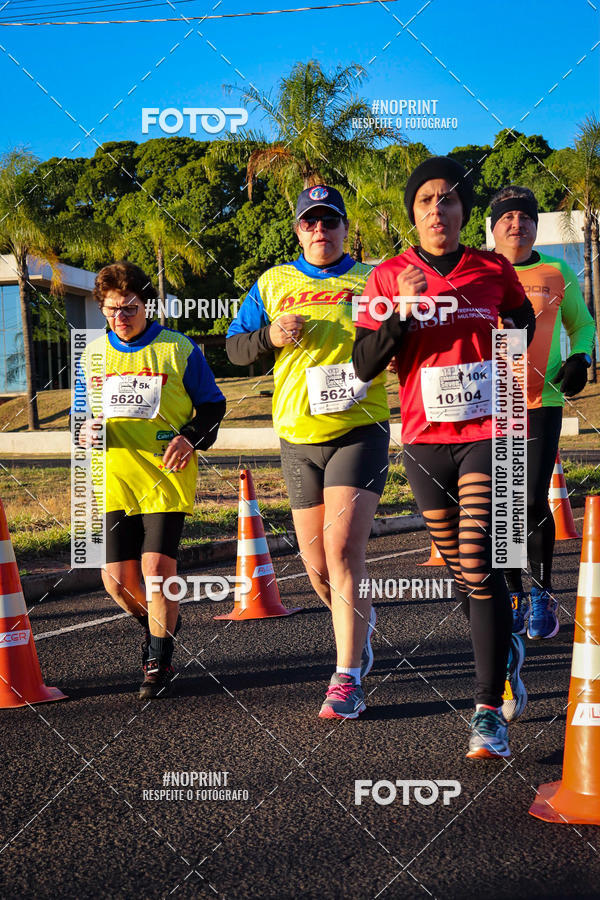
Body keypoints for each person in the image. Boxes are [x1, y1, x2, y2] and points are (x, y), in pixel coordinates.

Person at [352, 157, 536, 758]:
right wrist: (402, 313)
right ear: (413, 212)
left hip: (487, 432)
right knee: (463, 570)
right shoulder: (387, 277)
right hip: (425, 441)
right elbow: (364, 365)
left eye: (449, 200)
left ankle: (487, 710)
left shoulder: (491, 269)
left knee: (480, 559)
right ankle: (504, 642)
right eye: (427, 200)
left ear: (463, 212)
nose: (438, 209)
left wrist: (507, 357)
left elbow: (521, 318)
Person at [226, 185, 390, 719]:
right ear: (298, 230)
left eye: (330, 221)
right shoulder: (272, 282)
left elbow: (403, 339)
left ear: (346, 228)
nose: (320, 230)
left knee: (344, 553)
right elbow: (234, 348)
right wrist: (270, 336)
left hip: (359, 429)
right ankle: (356, 635)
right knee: (317, 568)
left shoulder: (372, 278)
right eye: (309, 223)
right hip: (297, 435)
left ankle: (346, 677)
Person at [80, 262, 226, 699]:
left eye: (129, 307)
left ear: (146, 306)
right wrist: (85, 431)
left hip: (166, 473)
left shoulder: (176, 348)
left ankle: (157, 663)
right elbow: (86, 417)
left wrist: (191, 438)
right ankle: (161, 628)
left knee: (156, 572)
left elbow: (213, 408)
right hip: (113, 477)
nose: (120, 317)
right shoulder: (92, 354)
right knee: (116, 581)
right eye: (110, 310)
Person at [491, 186, 596, 640]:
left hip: (541, 401)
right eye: (508, 217)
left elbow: (583, 324)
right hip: (487, 404)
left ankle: (541, 593)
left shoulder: (556, 273)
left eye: (526, 217)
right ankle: (512, 593)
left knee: (531, 498)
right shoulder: (475, 272)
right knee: (502, 507)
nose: (518, 224)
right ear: (493, 227)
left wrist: (582, 358)